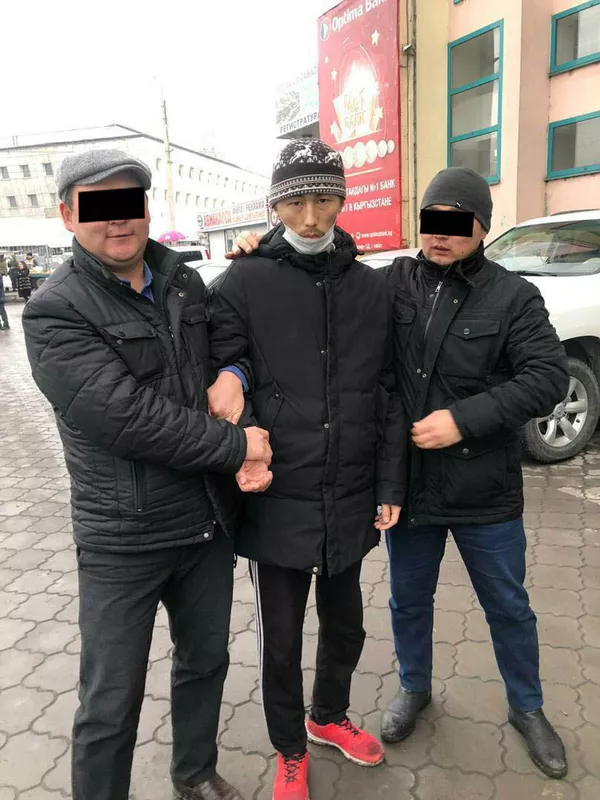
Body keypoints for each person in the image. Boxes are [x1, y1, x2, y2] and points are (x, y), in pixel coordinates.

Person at [224, 166, 571, 781]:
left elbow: (546, 378)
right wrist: (266, 244)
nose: (440, 235)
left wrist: (463, 420)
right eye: (432, 221)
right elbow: (321, 285)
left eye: (456, 224)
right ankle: (414, 688)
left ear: (483, 227)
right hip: (410, 488)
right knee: (409, 602)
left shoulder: (514, 297)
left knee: (508, 605)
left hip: (484, 490)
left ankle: (528, 707)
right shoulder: (393, 283)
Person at [22, 148, 273, 800]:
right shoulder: (54, 310)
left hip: (204, 525)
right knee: (110, 700)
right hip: (123, 538)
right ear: (67, 216)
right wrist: (238, 446)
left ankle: (194, 773)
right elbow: (130, 419)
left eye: (127, 203)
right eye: (98, 207)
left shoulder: (184, 282)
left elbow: (233, 346)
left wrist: (234, 373)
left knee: (205, 661)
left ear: (146, 209)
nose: (117, 220)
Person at [207, 138, 406, 800]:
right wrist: (238, 427)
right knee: (283, 639)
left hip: (349, 491)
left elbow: (386, 392)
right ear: (276, 206)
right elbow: (224, 363)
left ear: (343, 199)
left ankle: (329, 716)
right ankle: (290, 749)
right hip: (279, 491)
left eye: (324, 200)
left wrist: (389, 484)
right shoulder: (244, 281)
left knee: (346, 624)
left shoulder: (372, 289)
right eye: (296, 204)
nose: (312, 218)